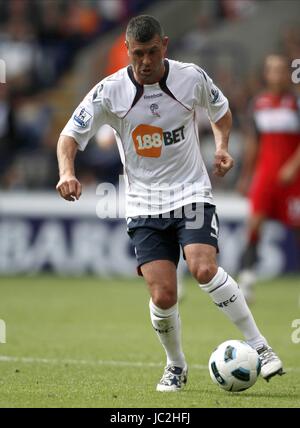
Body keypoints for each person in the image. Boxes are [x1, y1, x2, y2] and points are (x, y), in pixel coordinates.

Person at [56, 15, 284, 391]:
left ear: (164, 45)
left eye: (151, 52)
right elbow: (69, 136)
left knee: (203, 268)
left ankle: (261, 346)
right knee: (163, 294)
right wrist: (67, 171)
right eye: (137, 55)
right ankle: (176, 365)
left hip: (191, 192)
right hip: (144, 205)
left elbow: (221, 111)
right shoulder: (109, 91)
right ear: (127, 51)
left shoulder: (190, 77)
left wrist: (223, 147)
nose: (144, 62)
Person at [237, 54, 300, 303]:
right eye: (271, 69)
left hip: (293, 179)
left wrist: (293, 166)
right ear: (266, 74)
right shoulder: (258, 104)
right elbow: (253, 142)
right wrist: (246, 176)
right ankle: (247, 282)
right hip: (265, 174)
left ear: (288, 74)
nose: (276, 74)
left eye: (281, 70)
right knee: (254, 225)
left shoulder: (295, 102)